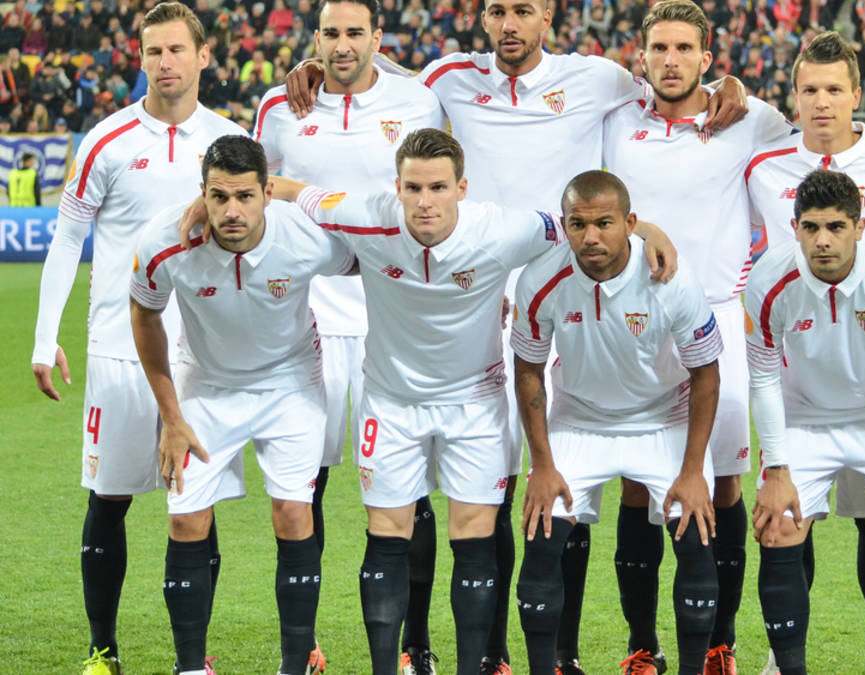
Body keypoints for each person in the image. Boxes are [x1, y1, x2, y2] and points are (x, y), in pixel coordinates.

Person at [283, 1, 742, 667]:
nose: (509, 24)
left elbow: (676, 80)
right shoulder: (447, 76)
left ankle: (560, 652)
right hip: (478, 296)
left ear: (547, 16)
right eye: (497, 10)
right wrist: (317, 65)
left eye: (523, 10)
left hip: (571, 282)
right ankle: (459, 649)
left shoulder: (597, 77)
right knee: (481, 494)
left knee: (554, 492)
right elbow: (378, 72)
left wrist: (730, 87)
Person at [251, 128, 674, 675]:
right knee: (386, 541)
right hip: (391, 403)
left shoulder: (502, 229)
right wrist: (206, 201)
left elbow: (581, 224)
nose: (425, 201)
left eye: (438, 187)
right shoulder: (363, 216)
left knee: (474, 544)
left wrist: (651, 230)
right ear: (396, 188)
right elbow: (288, 190)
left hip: (475, 403)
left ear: (462, 188)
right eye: (413, 188)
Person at [30, 5, 246, 674]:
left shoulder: (231, 140)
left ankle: (193, 658)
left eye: (177, 49)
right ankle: (103, 650)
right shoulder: (107, 140)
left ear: (203, 56)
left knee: (198, 506)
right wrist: (44, 337)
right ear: (141, 57)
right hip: (120, 349)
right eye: (154, 51)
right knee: (110, 498)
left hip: (204, 354)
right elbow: (67, 238)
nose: (165, 62)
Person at [597, 3, 796, 672]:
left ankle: (720, 643)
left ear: (707, 58)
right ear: (642, 56)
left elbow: (820, 127)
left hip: (717, 317)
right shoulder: (616, 118)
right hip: (633, 321)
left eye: (685, 48)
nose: (671, 59)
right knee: (637, 485)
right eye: (660, 48)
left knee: (724, 486)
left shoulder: (749, 119)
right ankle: (642, 645)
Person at [252, 0, 446, 670]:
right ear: (315, 39)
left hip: (392, 321)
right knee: (301, 489)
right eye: (330, 33)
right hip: (303, 322)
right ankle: (302, 647)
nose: (342, 45)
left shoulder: (417, 102)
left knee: (406, 495)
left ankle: (414, 647)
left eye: (354, 33)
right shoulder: (279, 108)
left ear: (377, 38)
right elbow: (254, 192)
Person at [131, 134, 350, 675]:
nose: (232, 211)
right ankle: (190, 667)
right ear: (201, 193)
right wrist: (171, 418)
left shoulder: (307, 238)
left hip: (291, 381)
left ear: (268, 193)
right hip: (205, 384)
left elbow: (379, 257)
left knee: (294, 512)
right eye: (219, 196)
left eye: (246, 196)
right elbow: (144, 315)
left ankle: (296, 664)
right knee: (186, 520)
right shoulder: (164, 241)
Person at [744, 31, 865, 675]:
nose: (822, 102)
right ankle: (782, 656)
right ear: (793, 97)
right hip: (800, 382)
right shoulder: (763, 168)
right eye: (809, 90)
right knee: (791, 517)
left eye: (833, 90)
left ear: (857, 94)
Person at [511, 170, 722, 675]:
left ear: (630, 223)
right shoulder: (541, 280)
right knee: (541, 537)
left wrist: (693, 471)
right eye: (578, 224)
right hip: (579, 419)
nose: (590, 237)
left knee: (695, 537)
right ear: (564, 225)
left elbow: (706, 375)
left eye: (604, 223)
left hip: (663, 418)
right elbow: (528, 371)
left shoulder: (671, 279)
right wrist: (542, 465)